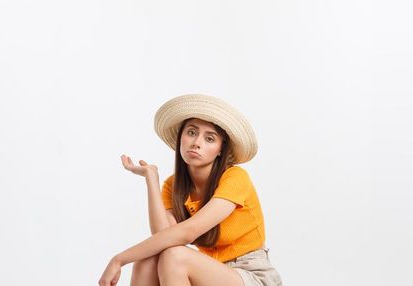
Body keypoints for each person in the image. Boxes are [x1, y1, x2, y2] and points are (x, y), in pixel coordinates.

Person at [99, 94, 282, 286]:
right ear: (181, 138)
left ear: (221, 149)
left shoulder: (235, 177)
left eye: (209, 138)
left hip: (250, 273)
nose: (197, 143)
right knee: (147, 260)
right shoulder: (174, 185)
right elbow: (163, 236)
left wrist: (119, 259)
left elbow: (188, 232)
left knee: (175, 257)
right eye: (192, 133)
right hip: (209, 269)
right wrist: (151, 179)